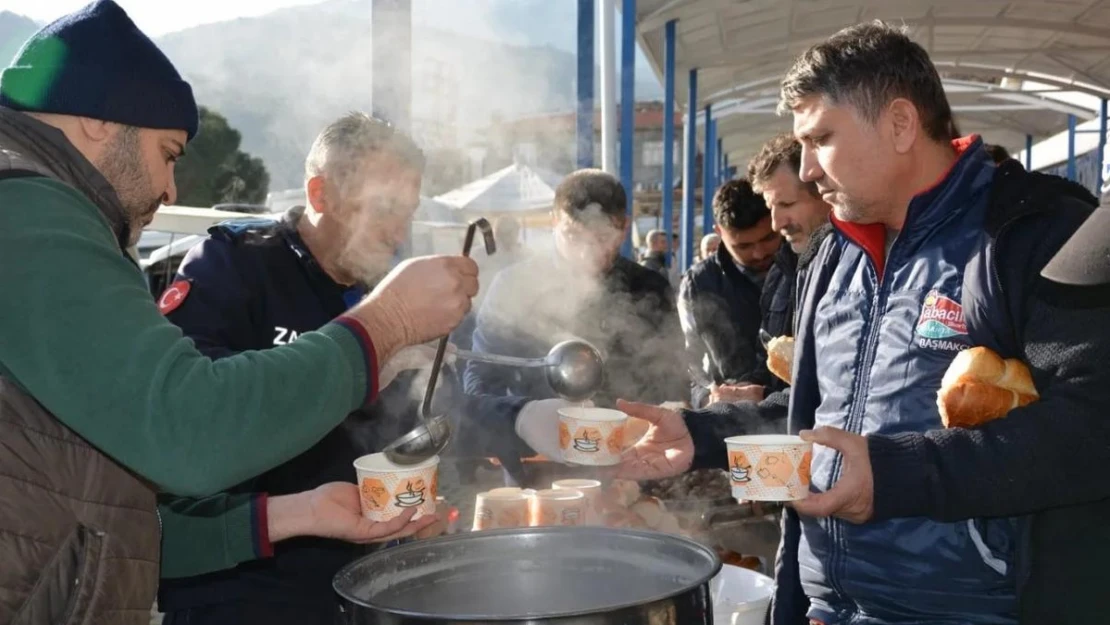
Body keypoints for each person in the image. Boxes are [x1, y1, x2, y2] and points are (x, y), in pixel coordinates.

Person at [617, 20, 1108, 625]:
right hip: (830, 605)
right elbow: (824, 416)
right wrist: (703, 434)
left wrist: (898, 472)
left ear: (901, 124)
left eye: (820, 139)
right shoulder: (834, 254)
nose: (808, 170)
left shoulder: (1032, 232)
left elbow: (1094, 423)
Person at [0, 2, 474, 622]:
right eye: (169, 153)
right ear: (97, 120)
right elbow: (189, 428)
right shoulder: (30, 211)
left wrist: (296, 513)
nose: (171, 190)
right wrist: (381, 330)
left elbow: (111, 510)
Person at [156, 113, 571, 624]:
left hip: (369, 582)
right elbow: (193, 413)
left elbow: (433, 413)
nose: (399, 232)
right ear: (321, 193)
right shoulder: (233, 264)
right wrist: (364, 350)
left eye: (408, 212)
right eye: (385, 208)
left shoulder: (387, 286)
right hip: (243, 588)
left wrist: (518, 419)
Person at [465, 169, 685, 484]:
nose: (587, 252)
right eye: (573, 236)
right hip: (535, 469)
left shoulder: (649, 287)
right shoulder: (514, 285)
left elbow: (672, 376)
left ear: (623, 228)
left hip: (631, 466)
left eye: (601, 238)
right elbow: (480, 378)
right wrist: (517, 421)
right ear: (555, 220)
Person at [678, 179, 781, 408]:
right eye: (743, 246)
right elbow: (689, 360)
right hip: (727, 415)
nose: (759, 253)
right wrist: (708, 397)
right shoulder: (699, 283)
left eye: (768, 238)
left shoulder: (801, 269)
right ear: (719, 232)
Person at [746, 133, 832, 396]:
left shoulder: (860, 271)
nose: (776, 223)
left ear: (825, 193)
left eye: (787, 204)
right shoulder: (780, 274)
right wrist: (748, 391)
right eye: (772, 207)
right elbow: (770, 370)